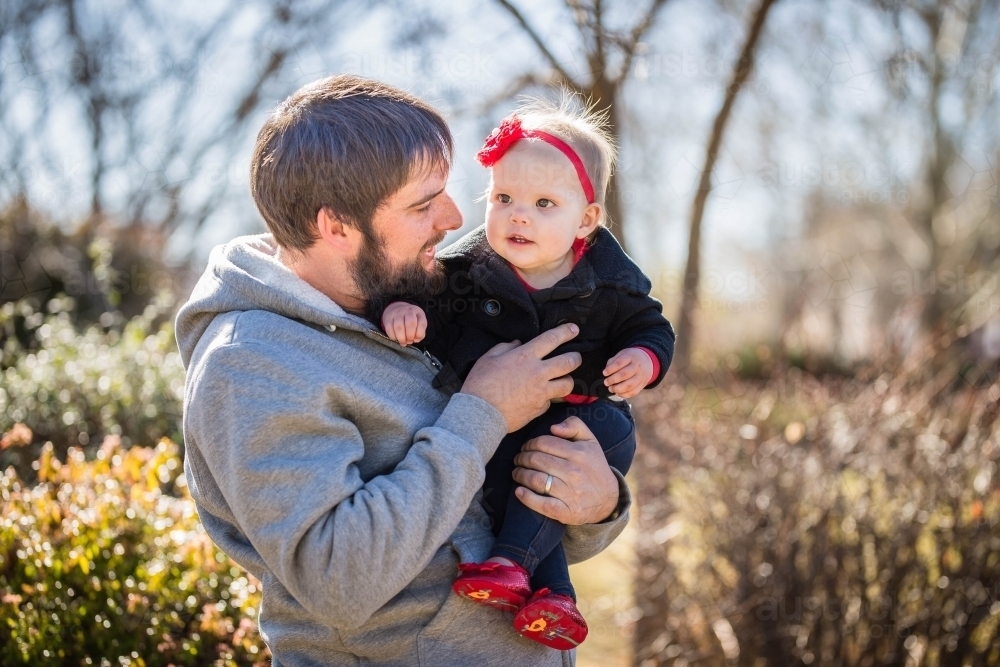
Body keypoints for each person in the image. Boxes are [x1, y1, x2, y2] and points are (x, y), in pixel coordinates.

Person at [175, 74, 632, 667]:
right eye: (423, 203)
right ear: (335, 226)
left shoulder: (417, 299)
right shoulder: (250, 365)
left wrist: (596, 505)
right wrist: (484, 412)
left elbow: (482, 513)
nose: (452, 217)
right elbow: (338, 578)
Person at [379, 100, 674, 650]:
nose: (518, 215)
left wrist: (644, 359)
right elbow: (432, 316)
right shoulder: (465, 276)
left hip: (592, 420)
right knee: (511, 484)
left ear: (585, 219)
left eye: (544, 203)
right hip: (505, 427)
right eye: (503, 198)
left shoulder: (611, 284)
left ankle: (509, 563)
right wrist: (405, 312)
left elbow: (652, 328)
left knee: (543, 467)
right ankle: (555, 599)